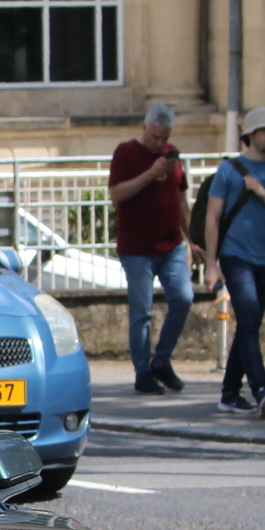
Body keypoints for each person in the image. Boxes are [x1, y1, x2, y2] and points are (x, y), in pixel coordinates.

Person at [202, 106, 265, 419]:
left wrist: (264, 193)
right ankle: (261, 387)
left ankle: (229, 393)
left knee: (248, 325)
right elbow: (212, 219)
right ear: (250, 135)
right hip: (235, 256)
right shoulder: (229, 170)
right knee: (250, 318)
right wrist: (211, 265)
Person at [106, 103, 192, 394]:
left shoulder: (173, 156)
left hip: (171, 244)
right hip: (137, 248)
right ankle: (143, 372)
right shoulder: (126, 152)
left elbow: (181, 201)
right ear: (144, 128)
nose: (159, 144)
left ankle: (162, 361)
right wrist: (151, 172)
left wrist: (194, 240)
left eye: (164, 138)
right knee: (141, 311)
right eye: (155, 137)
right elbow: (117, 194)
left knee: (183, 298)